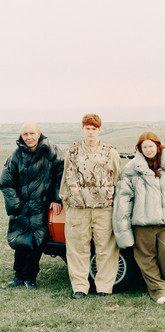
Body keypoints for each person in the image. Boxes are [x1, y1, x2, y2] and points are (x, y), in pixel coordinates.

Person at [113, 132, 165, 304]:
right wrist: (123, 226)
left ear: (158, 145)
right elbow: (123, 199)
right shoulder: (131, 169)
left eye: (151, 146)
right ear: (139, 149)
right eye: (144, 147)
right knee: (146, 258)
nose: (148, 150)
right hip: (142, 222)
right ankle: (158, 291)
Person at [59, 114, 121, 299]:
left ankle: (104, 287)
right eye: (87, 128)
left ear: (99, 130)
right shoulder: (72, 152)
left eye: (94, 128)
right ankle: (80, 287)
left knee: (106, 248)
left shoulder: (110, 152)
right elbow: (65, 178)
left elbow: (116, 178)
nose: (91, 131)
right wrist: (66, 200)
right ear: (82, 129)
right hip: (78, 208)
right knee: (77, 249)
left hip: (103, 208)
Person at [0, 122, 63, 289]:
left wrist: (56, 199)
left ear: (39, 133)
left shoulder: (51, 151)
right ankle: (18, 275)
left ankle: (30, 277)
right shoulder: (16, 155)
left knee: (37, 242)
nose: (29, 137)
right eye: (25, 134)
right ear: (21, 136)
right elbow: (6, 182)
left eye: (31, 133)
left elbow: (61, 175)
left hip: (41, 206)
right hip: (21, 206)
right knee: (20, 240)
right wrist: (16, 205)